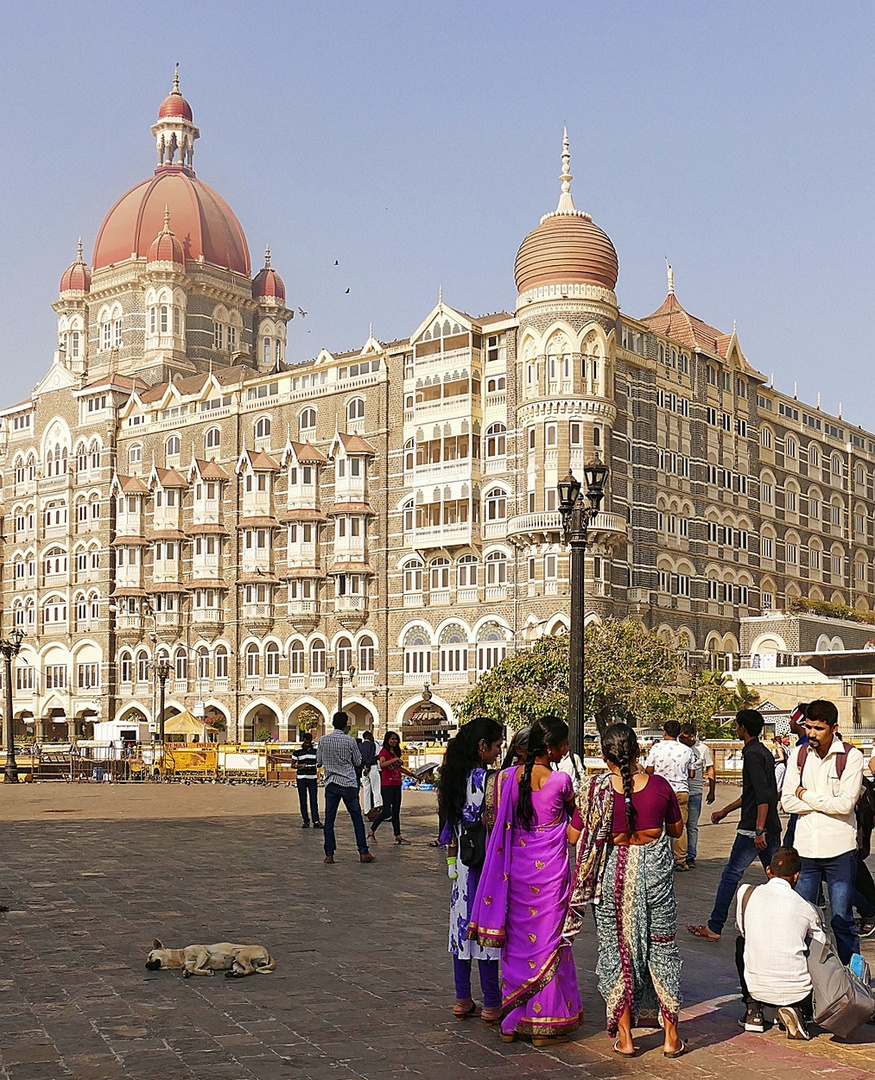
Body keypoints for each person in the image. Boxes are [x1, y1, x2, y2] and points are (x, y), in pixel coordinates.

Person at [567, 723, 686, 1058]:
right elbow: (676, 832)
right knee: (663, 948)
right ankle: (671, 1036)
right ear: (638, 752)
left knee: (615, 951)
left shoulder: (594, 790)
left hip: (611, 879)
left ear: (605, 757)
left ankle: (626, 1038)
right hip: (656, 879)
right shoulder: (660, 787)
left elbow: (574, 837)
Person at [469, 717, 582, 1048]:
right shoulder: (560, 780)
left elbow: (492, 823)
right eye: (563, 744)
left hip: (515, 872)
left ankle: (512, 1020)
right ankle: (542, 1023)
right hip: (550, 875)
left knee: (519, 944)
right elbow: (575, 826)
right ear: (549, 747)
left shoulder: (503, 778)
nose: (566, 750)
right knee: (549, 943)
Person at [780, 699, 864, 964]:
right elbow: (787, 801)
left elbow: (846, 804)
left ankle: (854, 980)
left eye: (818, 728)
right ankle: (808, 977)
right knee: (805, 919)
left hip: (839, 850)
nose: (812, 734)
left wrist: (806, 796)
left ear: (834, 728)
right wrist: (822, 802)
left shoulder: (851, 757)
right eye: (809, 727)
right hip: (805, 850)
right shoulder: (799, 755)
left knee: (842, 920)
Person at [687, 709, 781, 942]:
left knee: (731, 876)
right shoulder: (764, 752)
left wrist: (759, 829)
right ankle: (785, 924)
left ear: (743, 729)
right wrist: (724, 811)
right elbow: (752, 795)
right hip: (769, 825)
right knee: (779, 879)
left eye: (737, 725)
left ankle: (715, 925)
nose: (736, 729)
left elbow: (761, 795)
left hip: (753, 830)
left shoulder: (751, 754)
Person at [437, 717, 505, 1023]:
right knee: (486, 929)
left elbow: (449, 827)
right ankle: (492, 1002)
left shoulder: (453, 777)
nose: (498, 752)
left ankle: (462, 998)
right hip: (487, 863)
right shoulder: (489, 780)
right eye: (496, 746)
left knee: (461, 930)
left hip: (462, 863)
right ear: (482, 746)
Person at [735, 846, 826, 1040]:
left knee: (741, 943)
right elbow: (822, 944)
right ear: (796, 876)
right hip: (799, 991)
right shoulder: (807, 908)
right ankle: (797, 1009)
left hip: (756, 988)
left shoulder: (746, 893)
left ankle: (753, 1012)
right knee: (809, 945)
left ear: (768, 870)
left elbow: (742, 930)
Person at [316, 712, 375, 865]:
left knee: (329, 819)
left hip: (331, 783)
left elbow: (319, 762)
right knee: (356, 818)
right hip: (348, 783)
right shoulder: (350, 741)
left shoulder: (323, 740)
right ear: (345, 725)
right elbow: (357, 761)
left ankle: (329, 854)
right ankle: (363, 851)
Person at [645, 720, 695, 871]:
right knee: (681, 825)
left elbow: (649, 769)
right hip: (681, 790)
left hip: (660, 790)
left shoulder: (657, 748)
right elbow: (692, 774)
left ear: (664, 732)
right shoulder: (687, 750)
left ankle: (659, 857)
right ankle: (680, 859)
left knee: (658, 824)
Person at [679, 723, 715, 868]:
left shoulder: (703, 749)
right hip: (681, 789)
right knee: (678, 825)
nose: (682, 740)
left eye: (685, 738)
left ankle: (690, 855)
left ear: (692, 737)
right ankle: (678, 854)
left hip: (695, 791)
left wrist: (712, 790)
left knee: (692, 825)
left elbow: (710, 769)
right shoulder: (678, 748)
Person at [368, 731, 415, 844]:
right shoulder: (384, 752)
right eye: (392, 739)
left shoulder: (395, 753)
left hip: (397, 783)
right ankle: (371, 831)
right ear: (387, 740)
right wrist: (394, 760)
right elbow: (383, 764)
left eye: (396, 739)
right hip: (387, 785)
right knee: (386, 811)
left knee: (396, 811)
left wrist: (413, 775)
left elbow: (399, 768)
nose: (394, 741)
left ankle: (398, 836)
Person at [292, 731, 322, 829]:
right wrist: (300, 766)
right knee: (303, 800)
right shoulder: (297, 751)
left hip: (312, 778)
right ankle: (305, 820)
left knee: (314, 800)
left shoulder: (316, 751)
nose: (307, 744)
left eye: (309, 743)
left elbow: (319, 762)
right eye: (306, 743)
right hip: (301, 778)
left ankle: (316, 821)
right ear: (303, 741)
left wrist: (316, 765)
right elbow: (293, 765)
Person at [359, 730, 382, 818]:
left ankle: (367, 810)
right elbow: (372, 756)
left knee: (366, 790)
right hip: (372, 768)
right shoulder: (373, 744)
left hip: (363, 769)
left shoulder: (361, 746)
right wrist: (368, 767)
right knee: (376, 790)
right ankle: (377, 808)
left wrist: (364, 767)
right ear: (369, 737)